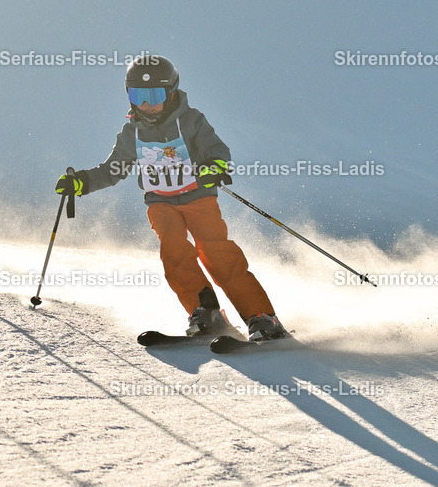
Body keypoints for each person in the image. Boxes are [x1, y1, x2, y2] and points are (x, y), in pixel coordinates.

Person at [55, 55, 286, 341]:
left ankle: (260, 317)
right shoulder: (132, 132)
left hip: (198, 198)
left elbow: (217, 150)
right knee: (174, 250)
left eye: (154, 95)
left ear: (171, 92)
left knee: (215, 251)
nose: (146, 104)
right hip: (160, 203)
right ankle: (205, 312)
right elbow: (113, 170)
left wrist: (215, 168)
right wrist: (82, 182)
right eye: (138, 95)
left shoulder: (191, 120)